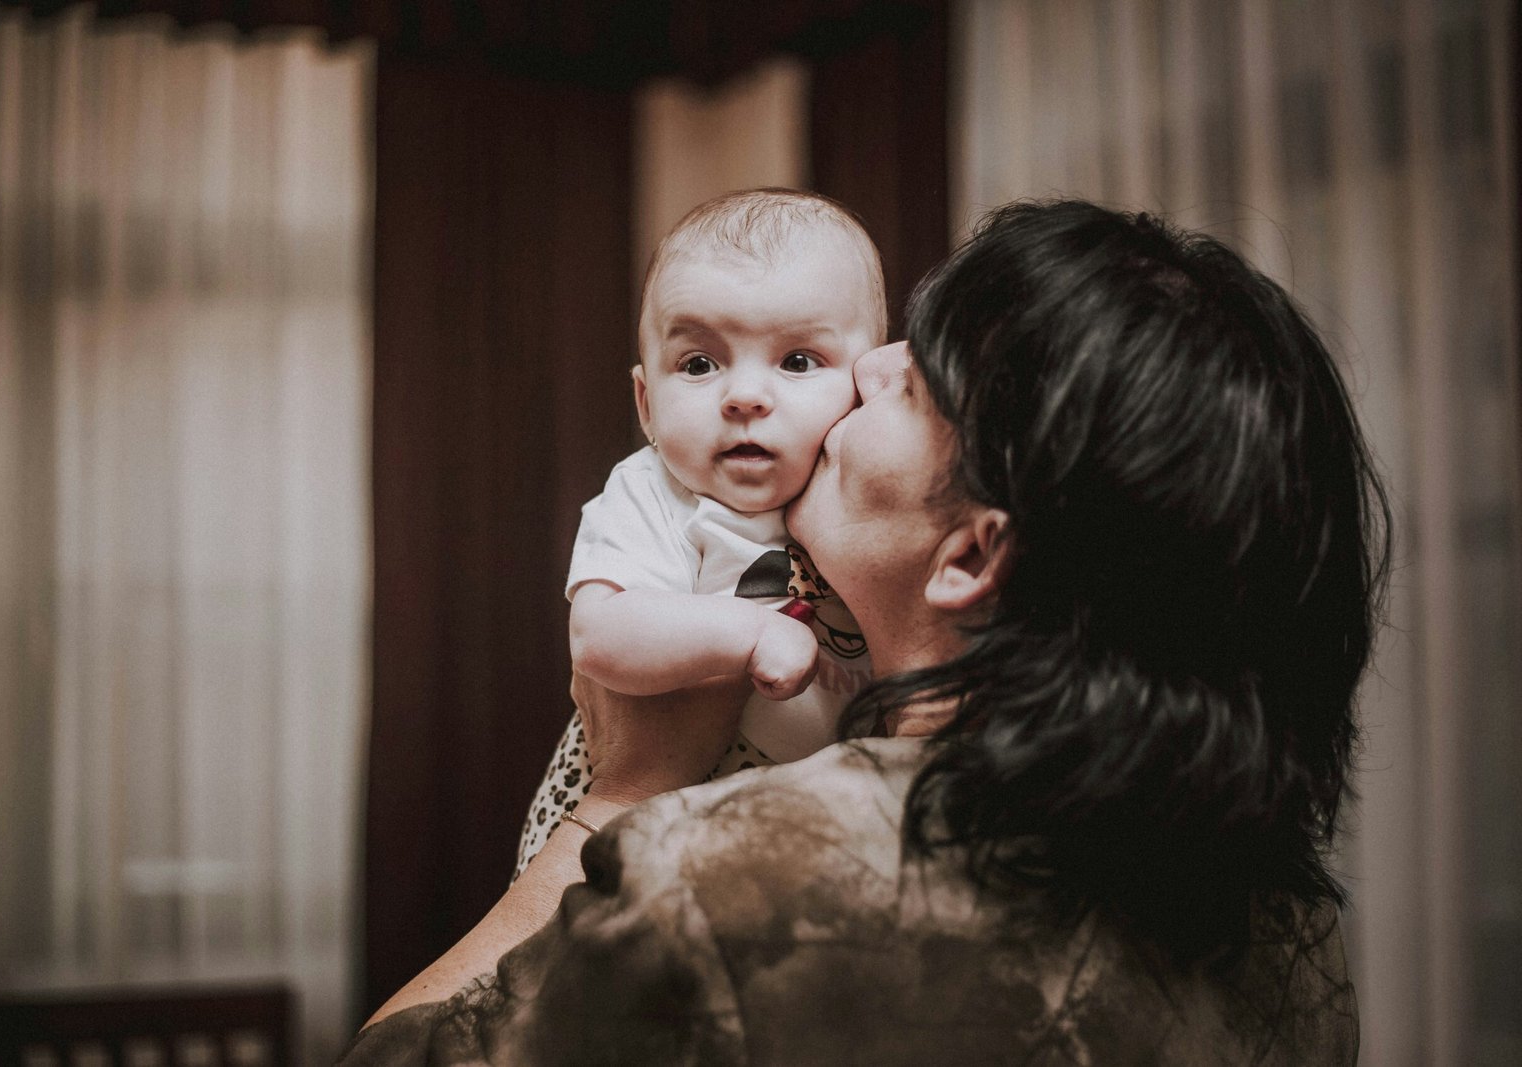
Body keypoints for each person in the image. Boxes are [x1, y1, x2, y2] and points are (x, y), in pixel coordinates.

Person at [343, 199, 1384, 1064]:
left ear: (971, 556)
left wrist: (621, 791)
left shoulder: (737, 883)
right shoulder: (1287, 920)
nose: (874, 365)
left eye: (918, 382)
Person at [513, 189, 881, 875]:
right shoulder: (654, 490)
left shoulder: (866, 492)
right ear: (647, 404)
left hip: (804, 807)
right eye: (699, 364)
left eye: (798, 361)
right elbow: (599, 633)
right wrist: (750, 632)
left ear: (869, 386)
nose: (744, 397)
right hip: (646, 797)